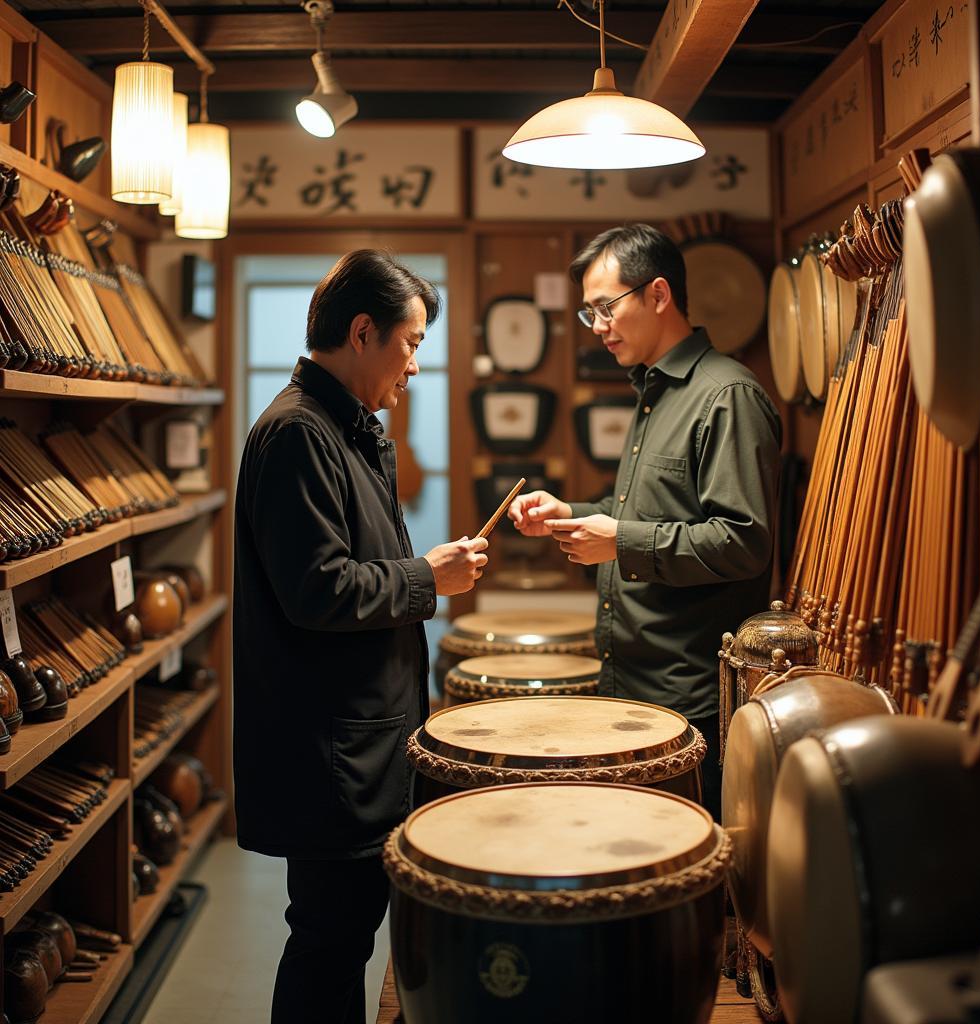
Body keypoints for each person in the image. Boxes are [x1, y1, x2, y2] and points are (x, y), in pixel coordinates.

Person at [233, 249, 488, 1024]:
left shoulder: (346, 428)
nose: (414, 367)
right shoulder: (299, 433)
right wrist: (426, 578)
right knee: (329, 940)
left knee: (341, 939)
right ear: (363, 331)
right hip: (330, 752)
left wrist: (421, 578)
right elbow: (319, 589)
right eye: (410, 345)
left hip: (360, 739)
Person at [508, 224, 781, 820]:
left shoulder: (726, 394)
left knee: (681, 880)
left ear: (658, 295)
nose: (599, 326)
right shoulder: (653, 389)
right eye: (588, 314)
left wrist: (619, 540)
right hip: (632, 681)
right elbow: (643, 516)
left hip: (690, 696)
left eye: (606, 307)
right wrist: (571, 515)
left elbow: (743, 542)